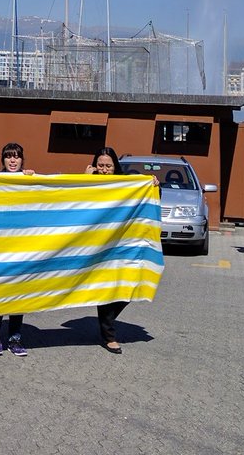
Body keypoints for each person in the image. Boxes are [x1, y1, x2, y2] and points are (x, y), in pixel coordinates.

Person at [0, 142, 34, 357]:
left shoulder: (31, 180)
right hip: (0, 247)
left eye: (17, 157)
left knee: (19, 293)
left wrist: (33, 178)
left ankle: (15, 336)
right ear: (2, 160)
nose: (13, 161)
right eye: (8, 157)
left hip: (23, 246)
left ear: (23, 159)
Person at [88, 147, 138, 353]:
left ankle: (106, 324)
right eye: (100, 165)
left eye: (108, 165)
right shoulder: (88, 182)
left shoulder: (125, 183)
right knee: (105, 289)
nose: (104, 169)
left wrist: (153, 184)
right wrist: (85, 179)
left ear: (115, 166)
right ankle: (108, 335)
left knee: (130, 286)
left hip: (120, 244)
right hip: (96, 245)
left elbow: (146, 193)